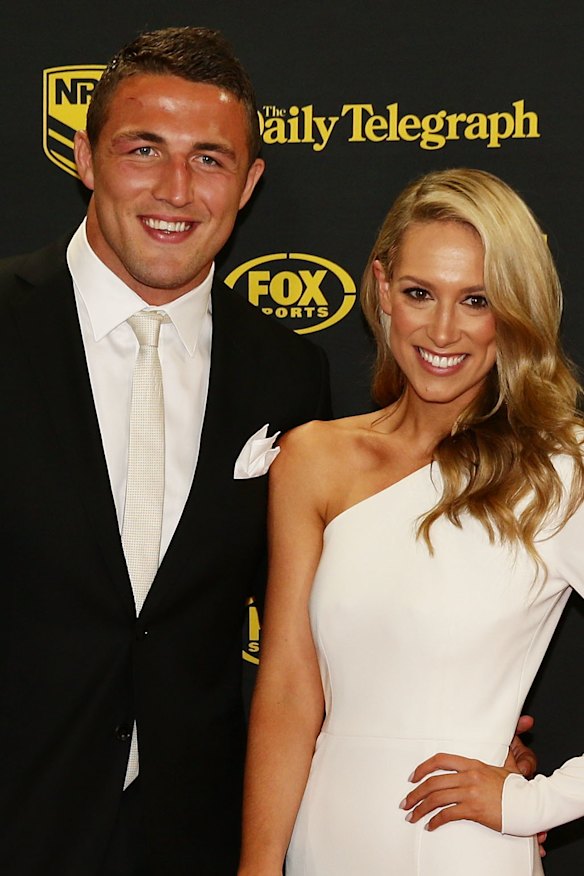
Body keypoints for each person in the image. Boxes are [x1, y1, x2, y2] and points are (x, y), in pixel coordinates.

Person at [0, 26, 331, 876]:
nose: (176, 190)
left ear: (249, 182)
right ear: (85, 158)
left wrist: (446, 718)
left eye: (210, 159)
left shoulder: (287, 373)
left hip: (191, 837)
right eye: (144, 149)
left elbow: (316, 614)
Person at [237, 168, 584, 875]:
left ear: (512, 311)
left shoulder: (559, 469)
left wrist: (537, 804)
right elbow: (289, 690)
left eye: (477, 300)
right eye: (420, 293)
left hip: (463, 850)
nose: (443, 330)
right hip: (321, 839)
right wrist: (258, 865)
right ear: (382, 289)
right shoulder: (312, 458)